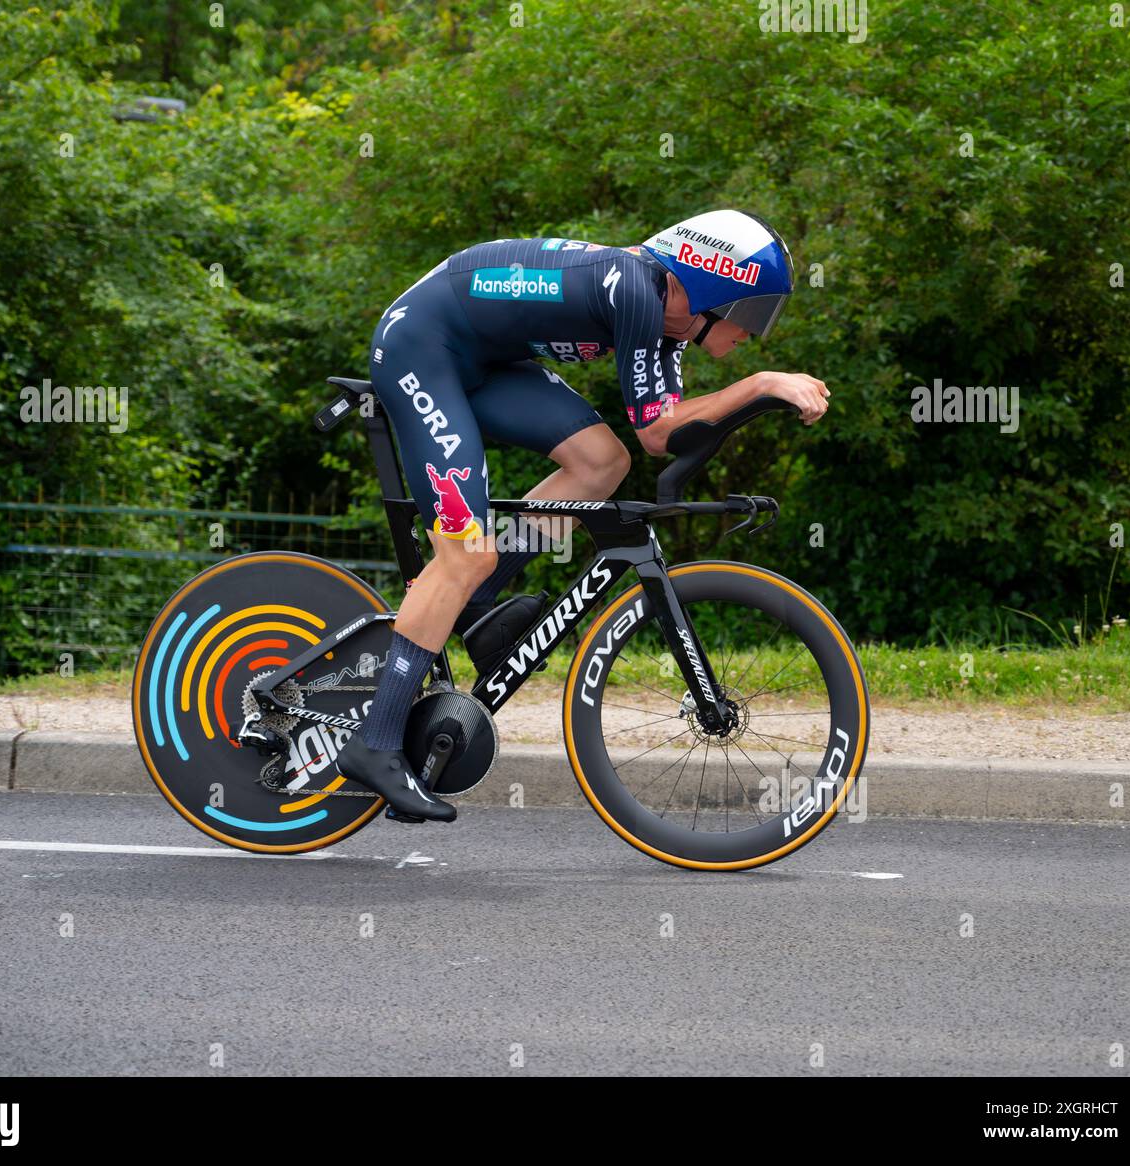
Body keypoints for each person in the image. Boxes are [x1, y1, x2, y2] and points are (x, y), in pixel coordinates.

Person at [335, 210, 830, 821]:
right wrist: (759, 385)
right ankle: (375, 741)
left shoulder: (662, 320)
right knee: (464, 552)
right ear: (705, 285)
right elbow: (661, 429)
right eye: (750, 313)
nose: (751, 333)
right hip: (421, 347)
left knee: (600, 462)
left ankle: (473, 604)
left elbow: (657, 437)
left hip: (481, 359)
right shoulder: (636, 289)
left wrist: (754, 392)